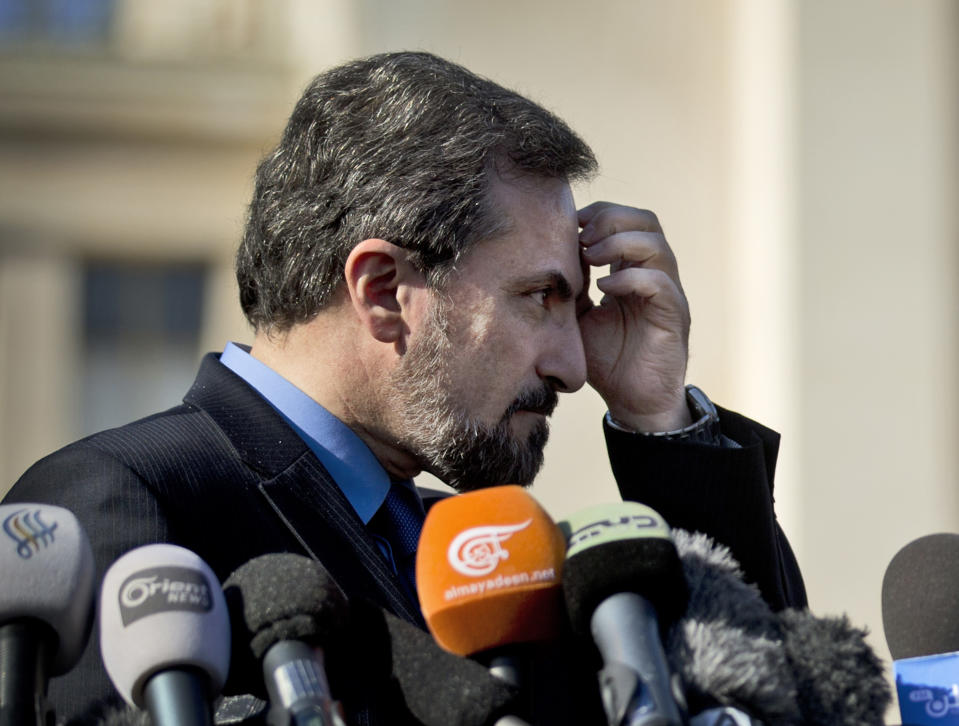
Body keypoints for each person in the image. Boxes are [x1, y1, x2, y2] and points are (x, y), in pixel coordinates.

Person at [3, 51, 805, 724]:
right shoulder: (123, 499)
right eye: (541, 299)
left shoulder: (484, 559)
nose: (572, 365)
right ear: (384, 290)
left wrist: (657, 418)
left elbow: (771, 693)